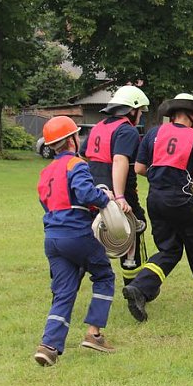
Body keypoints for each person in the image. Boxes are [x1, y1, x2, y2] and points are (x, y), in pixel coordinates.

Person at [122, 94, 193, 322]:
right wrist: (191, 180)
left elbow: (140, 168)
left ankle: (139, 288)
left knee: (168, 250)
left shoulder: (153, 133)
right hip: (181, 201)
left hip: (155, 200)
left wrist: (160, 174)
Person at [34, 116, 117, 366]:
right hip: (76, 235)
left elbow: (47, 201)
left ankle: (48, 346)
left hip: (52, 238)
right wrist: (104, 198)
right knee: (104, 276)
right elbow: (84, 193)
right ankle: (94, 334)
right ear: (72, 139)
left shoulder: (46, 171)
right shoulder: (76, 164)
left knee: (64, 291)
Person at [80, 85, 149, 285]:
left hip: (94, 191)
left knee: (95, 236)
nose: (141, 115)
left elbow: (84, 156)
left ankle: (72, 280)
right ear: (132, 109)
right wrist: (119, 196)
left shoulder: (99, 126)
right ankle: (134, 288)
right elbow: (120, 160)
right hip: (119, 191)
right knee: (134, 229)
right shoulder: (126, 130)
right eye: (141, 111)